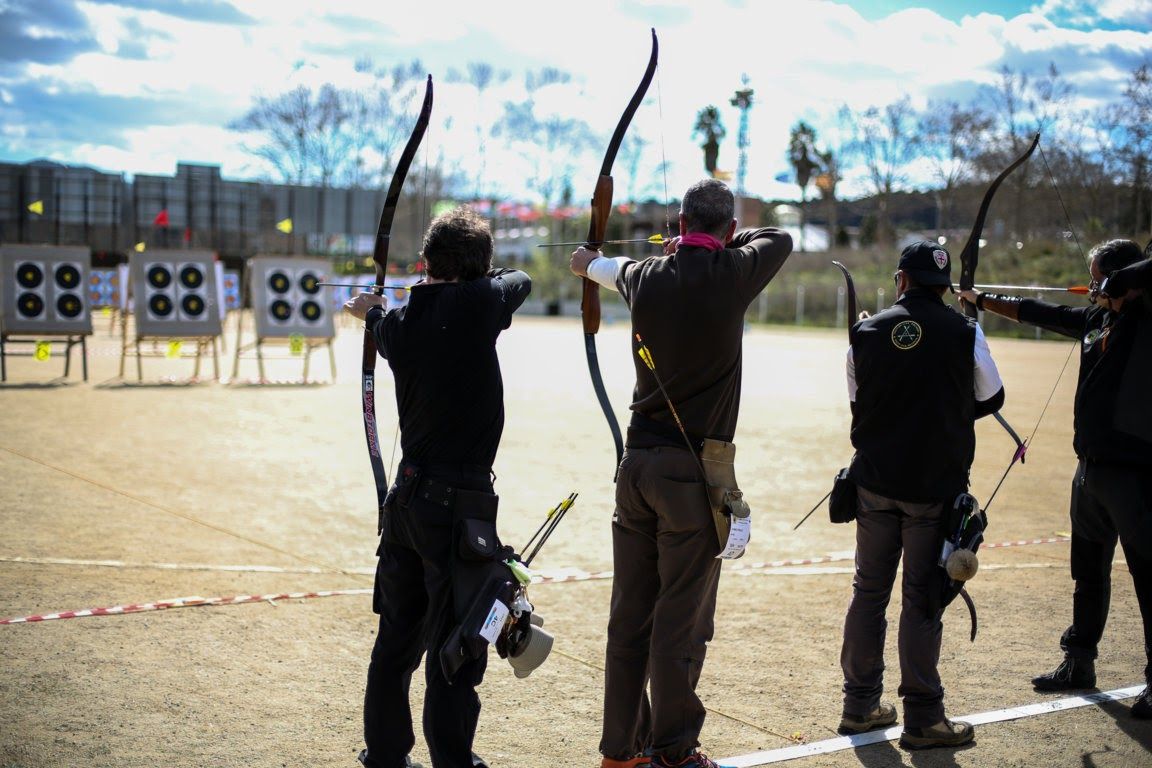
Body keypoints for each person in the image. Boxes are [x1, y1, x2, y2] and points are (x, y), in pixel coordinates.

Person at [569, 178, 793, 768]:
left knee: (630, 617)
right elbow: (781, 236)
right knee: (679, 624)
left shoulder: (644, 274)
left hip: (636, 469)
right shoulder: (734, 272)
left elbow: (593, 264)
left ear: (676, 223)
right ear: (727, 230)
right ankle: (672, 750)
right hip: (689, 477)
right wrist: (712, 241)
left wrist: (595, 259)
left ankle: (621, 751)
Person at [344, 206, 532, 768]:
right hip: (457, 512)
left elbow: (380, 321)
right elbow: (517, 281)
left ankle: (384, 755)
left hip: (405, 505)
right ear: (478, 267)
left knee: (397, 639)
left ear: (427, 263)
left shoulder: (399, 325)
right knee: (457, 644)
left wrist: (372, 312)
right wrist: (465, 278)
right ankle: (453, 760)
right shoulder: (481, 302)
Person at [960, 237, 1152, 720]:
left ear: (1121, 278)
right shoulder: (1096, 319)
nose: (1090, 286)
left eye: (1097, 277)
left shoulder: (1144, 319)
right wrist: (978, 299)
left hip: (1137, 476)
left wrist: (1127, 279)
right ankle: (1078, 662)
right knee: (1088, 575)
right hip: (1089, 473)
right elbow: (1037, 311)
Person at [839, 241, 1006, 750]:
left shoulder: (864, 332)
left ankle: (861, 705)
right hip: (934, 490)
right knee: (921, 598)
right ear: (945, 286)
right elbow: (991, 397)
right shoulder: (966, 331)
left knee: (869, 591)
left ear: (900, 281)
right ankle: (924, 719)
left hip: (875, 483)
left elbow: (858, 401)